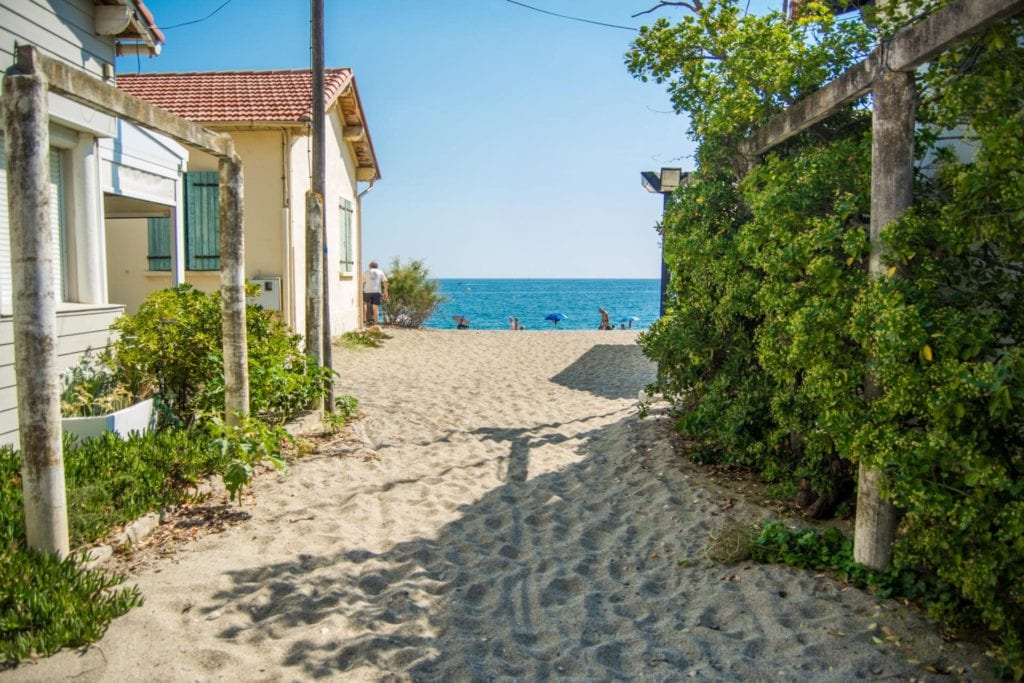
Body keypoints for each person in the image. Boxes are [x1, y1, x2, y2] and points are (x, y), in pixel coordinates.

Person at [362, 260, 388, 326]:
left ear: (370, 266)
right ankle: (375, 323)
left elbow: (361, 281)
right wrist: (385, 291)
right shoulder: (380, 272)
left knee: (363, 304)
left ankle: (364, 321)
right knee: (375, 308)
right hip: (376, 291)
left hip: (367, 291)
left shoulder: (366, 272)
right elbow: (385, 281)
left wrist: (361, 290)